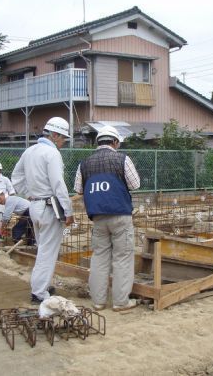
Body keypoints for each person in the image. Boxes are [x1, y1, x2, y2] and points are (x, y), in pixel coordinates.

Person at [73, 125, 140, 312]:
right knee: (123, 258)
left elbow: (78, 190)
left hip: (98, 218)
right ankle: (120, 302)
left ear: (97, 142)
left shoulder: (84, 164)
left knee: (99, 258)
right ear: (115, 142)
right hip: (120, 215)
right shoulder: (122, 159)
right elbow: (135, 184)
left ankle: (98, 301)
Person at [12, 117, 74, 304]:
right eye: (63, 138)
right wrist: (68, 210)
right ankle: (39, 292)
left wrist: (29, 194)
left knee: (43, 249)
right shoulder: (52, 154)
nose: (63, 142)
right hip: (50, 207)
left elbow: (16, 178)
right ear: (54, 135)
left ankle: (43, 286)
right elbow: (58, 185)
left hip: (35, 206)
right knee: (48, 251)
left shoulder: (29, 151)